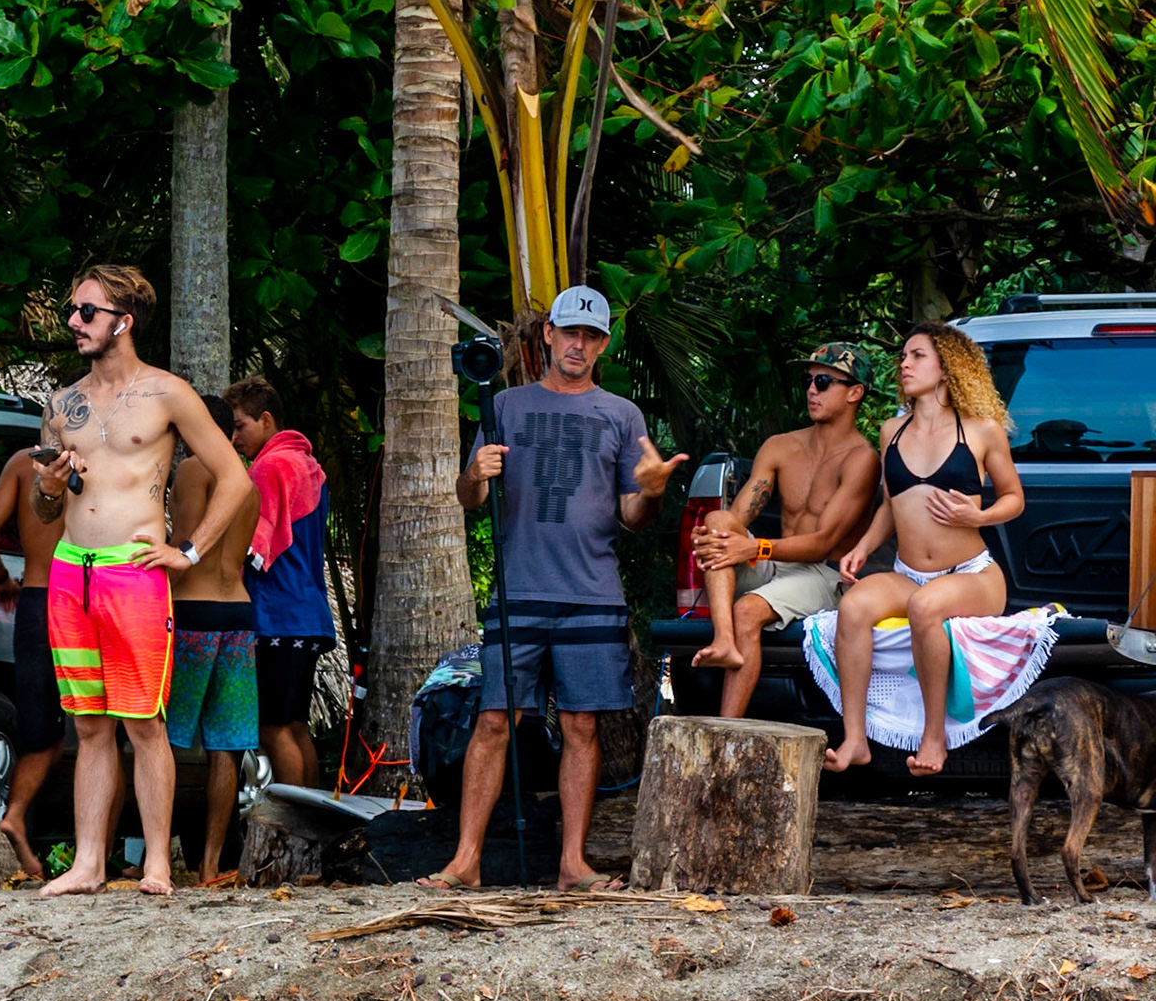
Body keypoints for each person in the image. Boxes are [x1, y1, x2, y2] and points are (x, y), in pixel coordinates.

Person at [419, 286, 687, 893]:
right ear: (548, 334)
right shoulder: (505, 404)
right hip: (519, 592)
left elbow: (631, 516)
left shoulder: (622, 415)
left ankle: (573, 866)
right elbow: (470, 500)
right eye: (570, 332)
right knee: (493, 721)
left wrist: (652, 489)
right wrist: (472, 474)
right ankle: (465, 862)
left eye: (592, 337)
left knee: (581, 727)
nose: (579, 345)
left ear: (604, 345)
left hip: (593, 593)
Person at [31, 265, 254, 898]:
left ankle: (158, 864)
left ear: (123, 323)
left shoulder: (168, 394)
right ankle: (88, 864)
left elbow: (235, 479)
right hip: (73, 570)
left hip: (135, 575)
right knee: (90, 725)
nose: (74, 321)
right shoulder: (61, 405)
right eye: (73, 310)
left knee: (143, 721)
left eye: (88, 312)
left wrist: (187, 549)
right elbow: (50, 508)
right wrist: (49, 490)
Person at [824, 322, 1023, 777]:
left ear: (947, 367)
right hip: (907, 571)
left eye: (917, 356)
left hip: (972, 574)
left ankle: (934, 737)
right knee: (854, 607)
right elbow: (892, 506)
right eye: (904, 357)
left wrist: (979, 517)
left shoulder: (981, 430)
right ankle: (855, 739)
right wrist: (863, 547)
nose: (904, 364)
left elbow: (1014, 498)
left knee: (924, 606)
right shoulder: (891, 430)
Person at [688, 344, 880, 717]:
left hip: (823, 572)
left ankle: (726, 730)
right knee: (718, 521)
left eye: (823, 381)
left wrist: (754, 549)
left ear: (855, 392)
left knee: (748, 611)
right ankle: (724, 640)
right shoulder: (780, 446)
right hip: (774, 566)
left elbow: (823, 542)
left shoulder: (862, 460)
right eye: (808, 380)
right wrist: (713, 537)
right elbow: (738, 518)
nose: (811, 389)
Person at [164, 394, 262, 884]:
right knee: (226, 747)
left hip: (193, 610)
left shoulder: (192, 470)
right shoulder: (248, 481)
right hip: (238, 612)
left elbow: (185, 546)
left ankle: (154, 857)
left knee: (160, 736)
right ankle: (209, 865)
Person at [224, 376, 336, 789]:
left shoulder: (270, 466)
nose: (234, 438)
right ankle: (310, 828)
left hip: (277, 615)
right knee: (295, 726)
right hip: (307, 612)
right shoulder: (309, 465)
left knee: (272, 728)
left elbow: (255, 547)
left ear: (266, 419)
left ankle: (293, 826)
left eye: (240, 426)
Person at [0, 443, 67, 877]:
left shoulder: (19, 463)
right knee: (98, 728)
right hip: (80, 596)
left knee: (39, 728)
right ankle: (95, 855)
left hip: (33, 597)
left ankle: (16, 816)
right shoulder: (97, 460)